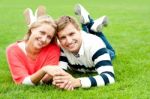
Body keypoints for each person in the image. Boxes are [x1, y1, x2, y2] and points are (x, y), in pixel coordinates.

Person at [52, 4, 115, 90]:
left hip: (95, 47)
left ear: (80, 31)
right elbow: (60, 71)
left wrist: (78, 82)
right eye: (63, 37)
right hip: (86, 46)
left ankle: (91, 25)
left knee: (111, 53)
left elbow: (109, 77)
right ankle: (91, 26)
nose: (69, 41)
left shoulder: (95, 44)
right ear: (58, 39)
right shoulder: (61, 46)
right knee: (76, 41)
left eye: (71, 34)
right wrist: (59, 81)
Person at [6, 6, 66, 85]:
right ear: (32, 29)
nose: (44, 39)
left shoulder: (53, 49)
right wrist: (44, 70)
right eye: (42, 32)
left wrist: (36, 79)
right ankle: (34, 21)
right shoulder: (13, 50)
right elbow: (22, 82)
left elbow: (45, 80)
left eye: (49, 37)